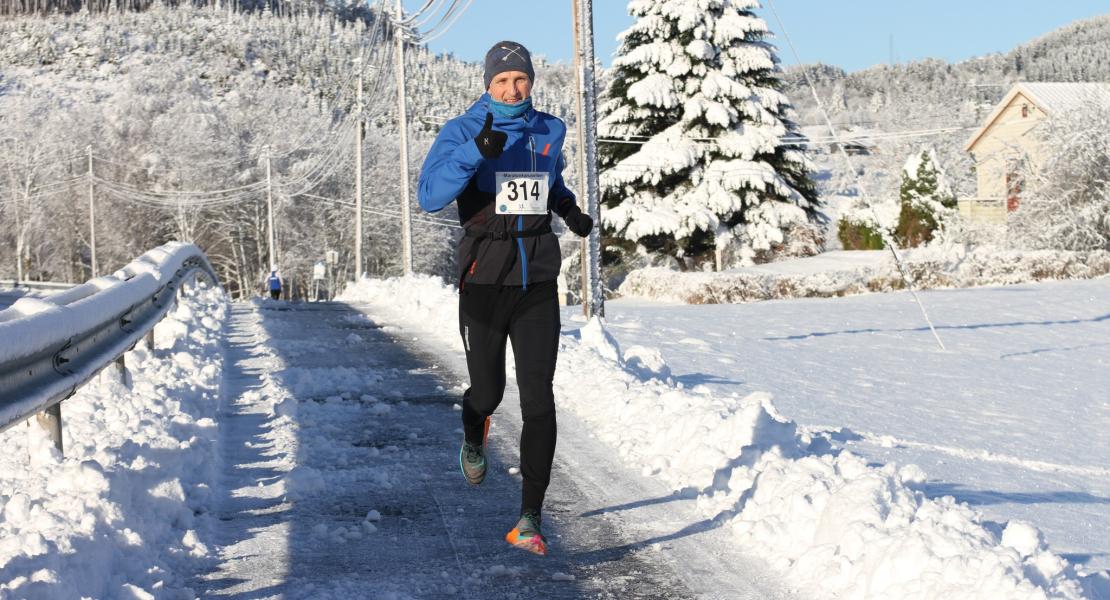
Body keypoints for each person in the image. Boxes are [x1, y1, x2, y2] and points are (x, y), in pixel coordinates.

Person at [417, 41, 593, 556]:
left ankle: (530, 518)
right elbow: (429, 196)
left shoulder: (549, 129)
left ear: (531, 82)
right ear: (487, 84)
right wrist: (478, 152)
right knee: (488, 392)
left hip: (537, 279)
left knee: (539, 397)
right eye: (501, 81)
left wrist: (568, 207)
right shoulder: (462, 130)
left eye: (520, 80)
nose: (512, 89)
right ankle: (474, 430)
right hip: (484, 280)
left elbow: (548, 180)